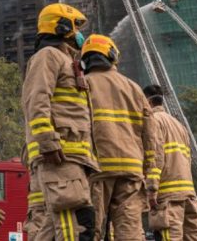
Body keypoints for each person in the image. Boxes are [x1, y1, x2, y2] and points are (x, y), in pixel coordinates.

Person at [22, 3, 97, 241]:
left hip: (73, 156)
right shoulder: (48, 56)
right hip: (60, 155)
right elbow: (37, 98)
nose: (79, 33)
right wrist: (48, 142)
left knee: (56, 228)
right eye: (76, 27)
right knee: (73, 227)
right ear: (61, 26)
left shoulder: (67, 61)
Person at [82, 34, 151, 240]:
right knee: (129, 231)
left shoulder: (82, 85)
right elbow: (150, 135)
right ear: (112, 56)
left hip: (97, 169)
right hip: (131, 170)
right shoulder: (134, 88)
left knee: (91, 229)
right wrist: (148, 171)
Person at [143, 84, 197, 241]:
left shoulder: (153, 121)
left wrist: (151, 190)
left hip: (168, 196)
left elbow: (155, 157)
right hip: (188, 194)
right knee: (196, 236)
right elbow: (188, 159)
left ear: (147, 102)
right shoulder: (179, 125)